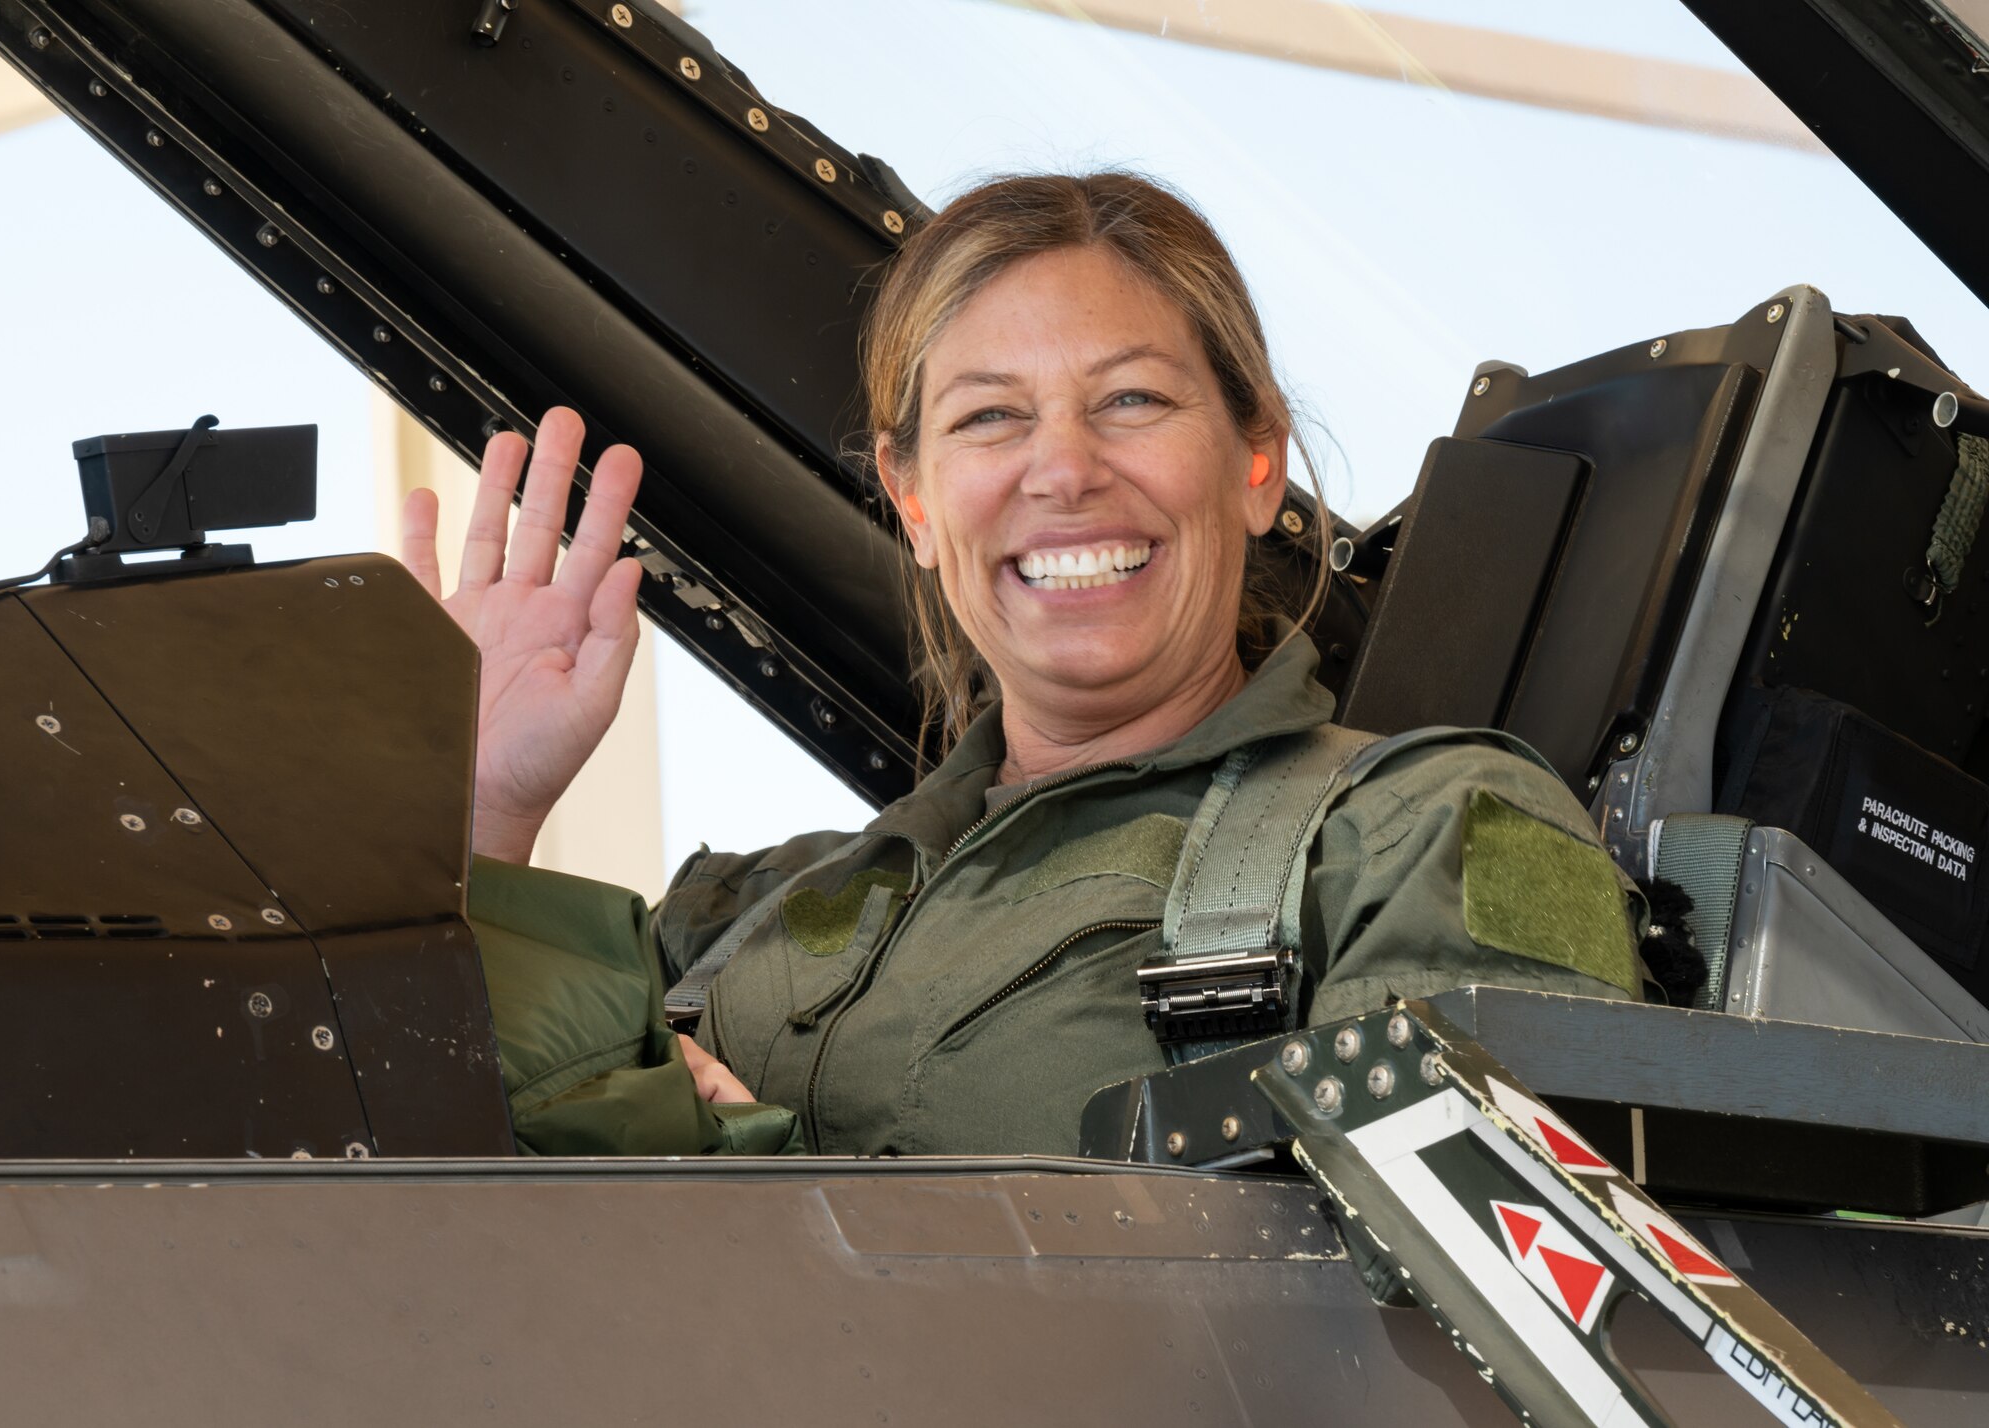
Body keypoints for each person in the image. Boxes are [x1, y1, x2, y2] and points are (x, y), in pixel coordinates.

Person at [402, 173, 1650, 1159]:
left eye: (1130, 402)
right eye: (989, 417)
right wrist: (474, 820)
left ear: (1255, 459)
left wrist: (725, 1163)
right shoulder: (729, 924)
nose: (1061, 470)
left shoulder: (1433, 836)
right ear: (916, 501)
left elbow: (1467, 1329)